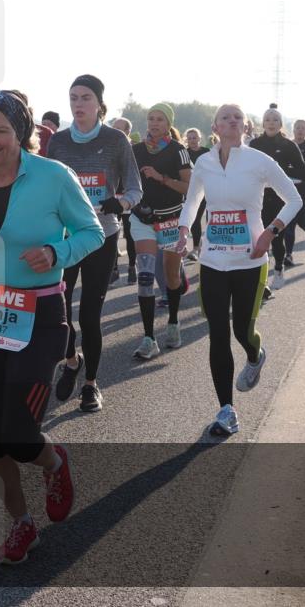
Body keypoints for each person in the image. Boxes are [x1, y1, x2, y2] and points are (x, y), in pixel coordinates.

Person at [0, 90, 104, 564]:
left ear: (21, 134)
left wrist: (56, 253)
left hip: (39, 315)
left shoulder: (54, 177)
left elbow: (92, 232)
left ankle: (54, 463)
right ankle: (20, 523)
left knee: (17, 432)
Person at [176, 104, 301, 436]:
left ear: (245, 127)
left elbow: (294, 198)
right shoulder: (203, 162)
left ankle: (255, 354)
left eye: (238, 117)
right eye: (225, 117)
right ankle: (226, 411)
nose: (232, 121)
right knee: (218, 332)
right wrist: (184, 230)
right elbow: (192, 203)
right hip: (213, 259)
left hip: (249, 259)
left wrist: (270, 232)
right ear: (215, 126)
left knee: (242, 331)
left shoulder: (259, 161)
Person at [48, 75, 141, 412]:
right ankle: (72, 360)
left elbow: (134, 188)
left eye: (85, 97)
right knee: (56, 311)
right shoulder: (57, 143)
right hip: (65, 237)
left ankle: (91, 385)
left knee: (89, 315)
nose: (78, 103)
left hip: (102, 235)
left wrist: (122, 203)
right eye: (73, 97)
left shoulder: (116, 140)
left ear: (99, 104)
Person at [130, 103, 192, 358]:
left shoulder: (178, 151)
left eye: (159, 119)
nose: (154, 123)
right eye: (150, 118)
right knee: (145, 277)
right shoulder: (135, 150)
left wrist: (160, 177)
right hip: (142, 219)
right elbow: (124, 179)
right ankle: (148, 338)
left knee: (171, 277)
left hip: (170, 220)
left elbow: (187, 187)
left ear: (168, 124)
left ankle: (174, 323)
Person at [250, 107, 305, 291]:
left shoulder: (289, 146)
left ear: (281, 124)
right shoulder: (254, 144)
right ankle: (261, 280)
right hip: (256, 199)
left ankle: (278, 269)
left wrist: (281, 178)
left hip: (280, 200)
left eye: (275, 119)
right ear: (263, 123)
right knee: (256, 238)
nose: (271, 122)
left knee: (275, 238)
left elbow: (303, 173)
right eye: (267, 119)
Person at [284, 119, 305, 265]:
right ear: (293, 130)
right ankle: (289, 255)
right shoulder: (287, 145)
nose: (299, 130)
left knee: (301, 221)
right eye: (297, 128)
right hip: (289, 188)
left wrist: (303, 168)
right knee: (289, 223)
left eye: (302, 128)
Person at [111, 117, 138, 284]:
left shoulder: (134, 149)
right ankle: (113, 268)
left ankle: (131, 266)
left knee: (129, 233)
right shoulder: (107, 147)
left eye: (121, 129)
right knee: (112, 233)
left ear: (128, 132)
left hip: (128, 197)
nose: (117, 132)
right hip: (111, 196)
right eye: (115, 128)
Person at [184, 127, 210, 261]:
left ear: (200, 138)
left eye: (195, 138)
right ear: (186, 140)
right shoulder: (184, 153)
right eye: (190, 138)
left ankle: (207, 245)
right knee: (194, 219)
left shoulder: (207, 152)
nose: (192, 140)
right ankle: (195, 248)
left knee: (209, 219)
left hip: (208, 190)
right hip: (192, 191)